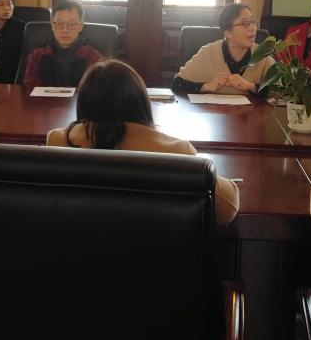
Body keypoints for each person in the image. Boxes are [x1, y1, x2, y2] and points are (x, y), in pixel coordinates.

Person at [47, 59, 239, 226]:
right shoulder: (177, 152)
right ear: (140, 102)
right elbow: (228, 208)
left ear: (83, 103)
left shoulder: (59, 142)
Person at [172, 2, 274, 95]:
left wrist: (250, 86)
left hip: (252, 110)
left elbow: (279, 91)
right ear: (228, 33)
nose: (253, 28)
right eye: (245, 24)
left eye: (252, 21)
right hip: (212, 109)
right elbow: (177, 84)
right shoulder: (209, 52)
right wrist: (207, 86)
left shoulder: (262, 54)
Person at [23, 0, 102, 88]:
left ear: (80, 26)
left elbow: (97, 90)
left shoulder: (93, 57)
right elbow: (29, 88)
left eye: (71, 24)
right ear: (53, 25)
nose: (65, 30)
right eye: (60, 24)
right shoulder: (37, 56)